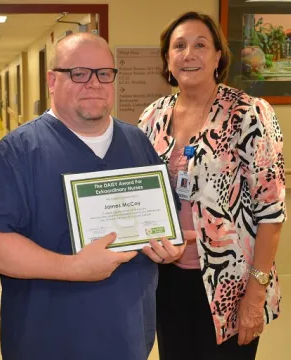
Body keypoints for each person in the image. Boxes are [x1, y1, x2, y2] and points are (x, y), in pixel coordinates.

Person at [0, 32, 189, 360]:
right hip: (47, 343)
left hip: (128, 340)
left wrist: (169, 246)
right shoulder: (18, 151)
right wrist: (73, 267)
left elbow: (163, 222)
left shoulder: (137, 143)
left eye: (104, 74)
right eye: (78, 73)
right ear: (52, 81)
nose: (93, 83)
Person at [138, 11, 286, 360]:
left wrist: (256, 291)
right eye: (179, 46)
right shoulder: (152, 116)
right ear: (167, 59)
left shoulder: (250, 114)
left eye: (201, 45)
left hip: (231, 282)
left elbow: (272, 212)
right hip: (166, 279)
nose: (189, 53)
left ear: (218, 56)